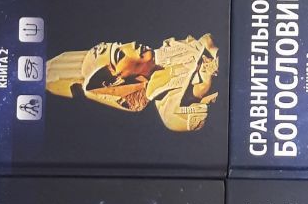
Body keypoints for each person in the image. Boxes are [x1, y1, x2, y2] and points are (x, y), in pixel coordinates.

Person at [46, 35, 219, 132]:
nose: (132, 45)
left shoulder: (170, 47)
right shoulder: (171, 112)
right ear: (116, 79)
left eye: (121, 45)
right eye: (120, 55)